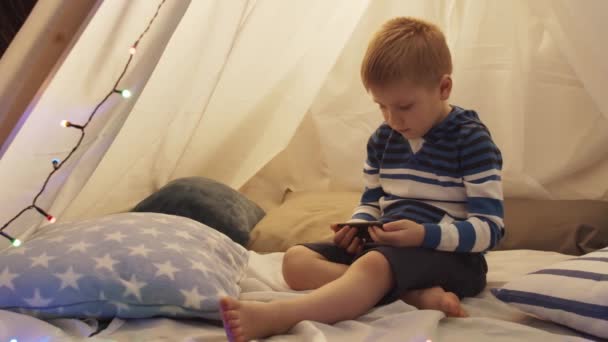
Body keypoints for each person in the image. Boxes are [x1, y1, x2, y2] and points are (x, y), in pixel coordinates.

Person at [220, 16, 504, 342]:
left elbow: (490, 229)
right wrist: (358, 227)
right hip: (389, 249)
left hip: (454, 260)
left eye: (404, 106)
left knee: (373, 266)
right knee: (296, 261)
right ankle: (410, 296)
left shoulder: (471, 140)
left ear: (443, 88)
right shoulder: (383, 139)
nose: (392, 120)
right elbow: (372, 200)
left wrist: (424, 235)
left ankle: (281, 316)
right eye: (381, 106)